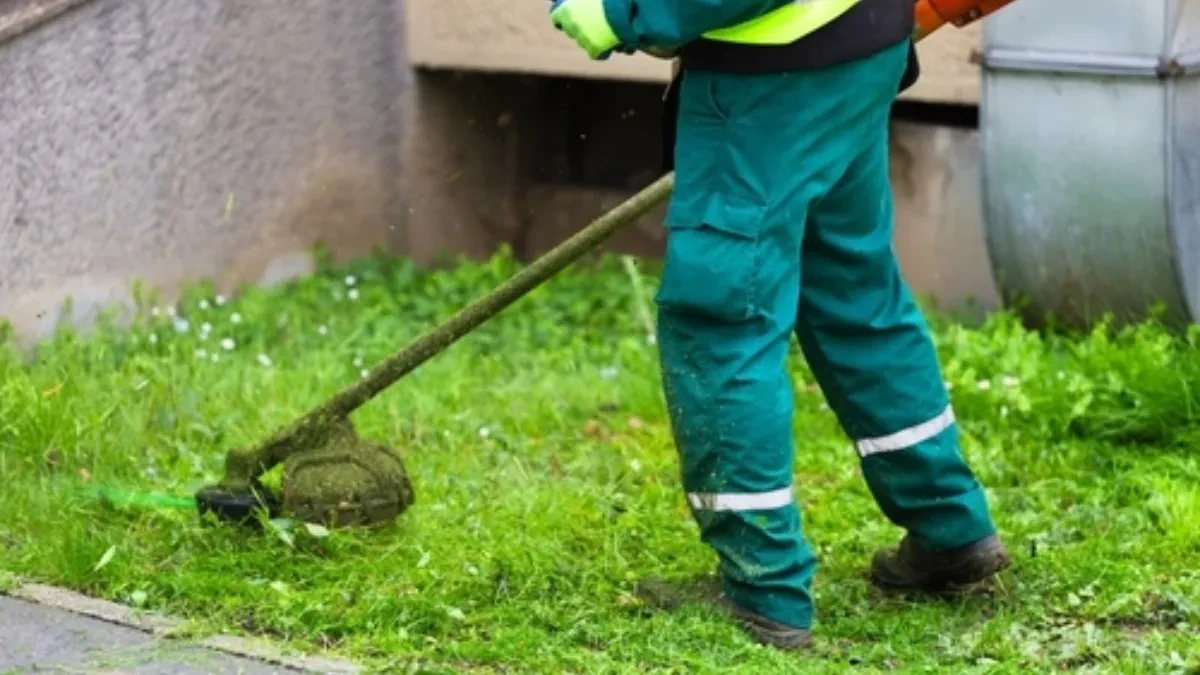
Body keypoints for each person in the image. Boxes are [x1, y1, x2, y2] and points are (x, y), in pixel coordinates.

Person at [548, 0, 1010, 650]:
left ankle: (764, 592)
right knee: (852, 292)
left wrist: (624, 13)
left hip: (769, 78)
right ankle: (951, 524)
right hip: (861, 43)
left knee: (724, 317)